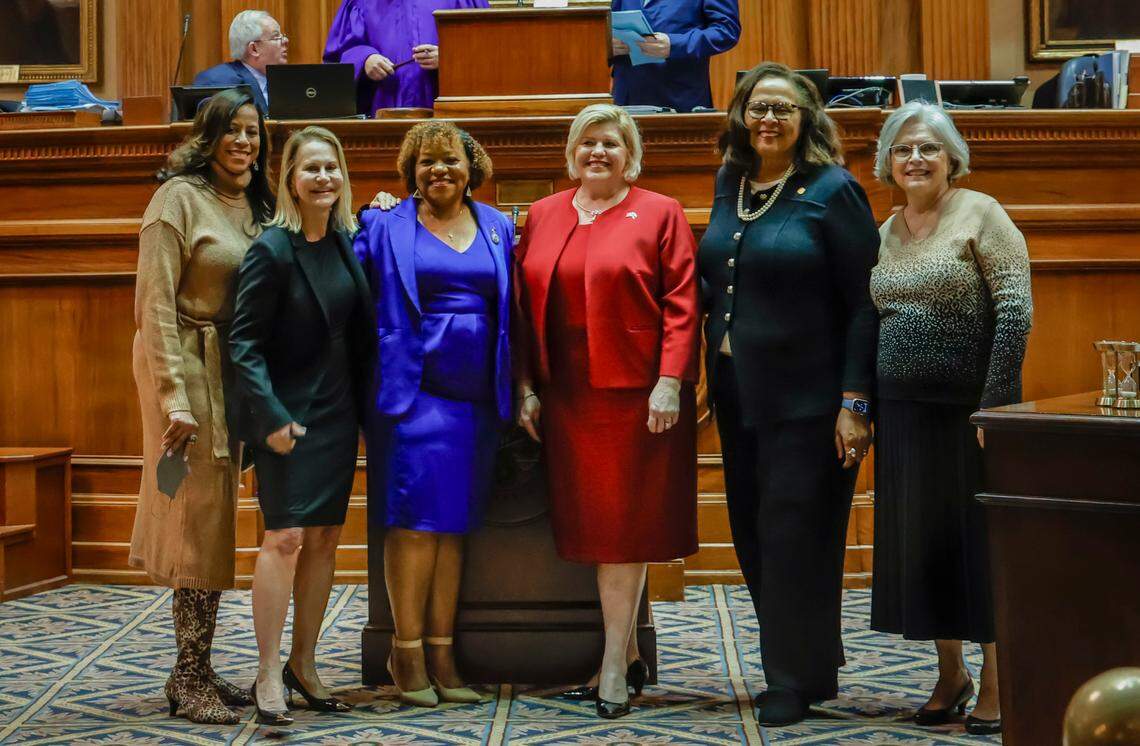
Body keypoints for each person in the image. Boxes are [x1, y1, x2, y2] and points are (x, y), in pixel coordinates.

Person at [697, 62, 879, 726]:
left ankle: (787, 678)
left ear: (806, 120)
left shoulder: (835, 190)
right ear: (741, 115)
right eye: (757, 106)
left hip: (810, 401)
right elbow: (718, 277)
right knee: (751, 532)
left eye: (782, 108)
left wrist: (856, 402)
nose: (768, 118)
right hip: (738, 395)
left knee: (794, 535)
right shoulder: (731, 182)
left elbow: (864, 302)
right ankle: (809, 664)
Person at [514, 103, 700, 719]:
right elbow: (520, 309)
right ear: (572, 153)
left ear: (630, 155)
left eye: (611, 144)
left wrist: (671, 380)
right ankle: (624, 654)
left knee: (625, 531)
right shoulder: (543, 214)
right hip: (567, 397)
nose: (599, 153)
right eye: (588, 143)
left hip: (637, 399)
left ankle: (614, 666)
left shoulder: (660, 212)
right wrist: (526, 387)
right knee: (598, 531)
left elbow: (681, 305)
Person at [869, 101, 1032, 737]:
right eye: (904, 149)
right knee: (923, 547)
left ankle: (996, 678)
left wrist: (995, 403)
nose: (916, 159)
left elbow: (1015, 311)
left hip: (969, 414)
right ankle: (950, 671)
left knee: (975, 546)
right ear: (887, 161)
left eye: (928, 148)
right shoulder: (885, 229)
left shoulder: (982, 211)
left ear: (951, 157)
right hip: (903, 413)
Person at [128, 87, 273, 725]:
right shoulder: (175, 200)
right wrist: (173, 399)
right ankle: (187, 672)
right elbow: (155, 305)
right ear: (206, 136)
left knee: (214, 513)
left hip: (229, 368)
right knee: (195, 512)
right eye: (231, 130)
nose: (244, 142)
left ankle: (200, 662)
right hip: (182, 362)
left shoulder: (257, 203)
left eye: (253, 131)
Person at [355, 121, 513, 707]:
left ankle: (445, 655)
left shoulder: (498, 227)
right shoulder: (383, 223)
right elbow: (348, 293)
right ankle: (407, 650)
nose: (437, 170)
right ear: (409, 171)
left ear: (472, 168)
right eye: (425, 162)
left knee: (454, 526)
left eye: (449, 160)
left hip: (475, 397)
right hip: (412, 394)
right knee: (415, 524)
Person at [229, 126, 375, 725]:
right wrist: (270, 419)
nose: (324, 178)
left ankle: (305, 663)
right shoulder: (273, 248)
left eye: (332, 169)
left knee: (323, 540)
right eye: (311, 169)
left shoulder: (344, 240)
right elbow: (243, 345)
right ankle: (267, 672)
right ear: (289, 178)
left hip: (338, 413)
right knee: (284, 538)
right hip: (288, 416)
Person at [323, 0, 489, 115]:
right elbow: (339, 56)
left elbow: (487, 50)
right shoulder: (361, 2)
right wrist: (365, 59)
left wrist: (449, 57)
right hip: (383, 112)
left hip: (447, 114)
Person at [610, 0, 740, 112]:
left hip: (680, 99)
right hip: (626, 98)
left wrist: (675, 45)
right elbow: (601, 20)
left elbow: (726, 30)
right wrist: (606, 44)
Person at [193, 10, 288, 114]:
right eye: (276, 37)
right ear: (254, 49)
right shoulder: (218, 80)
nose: (285, 41)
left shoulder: (287, 82)